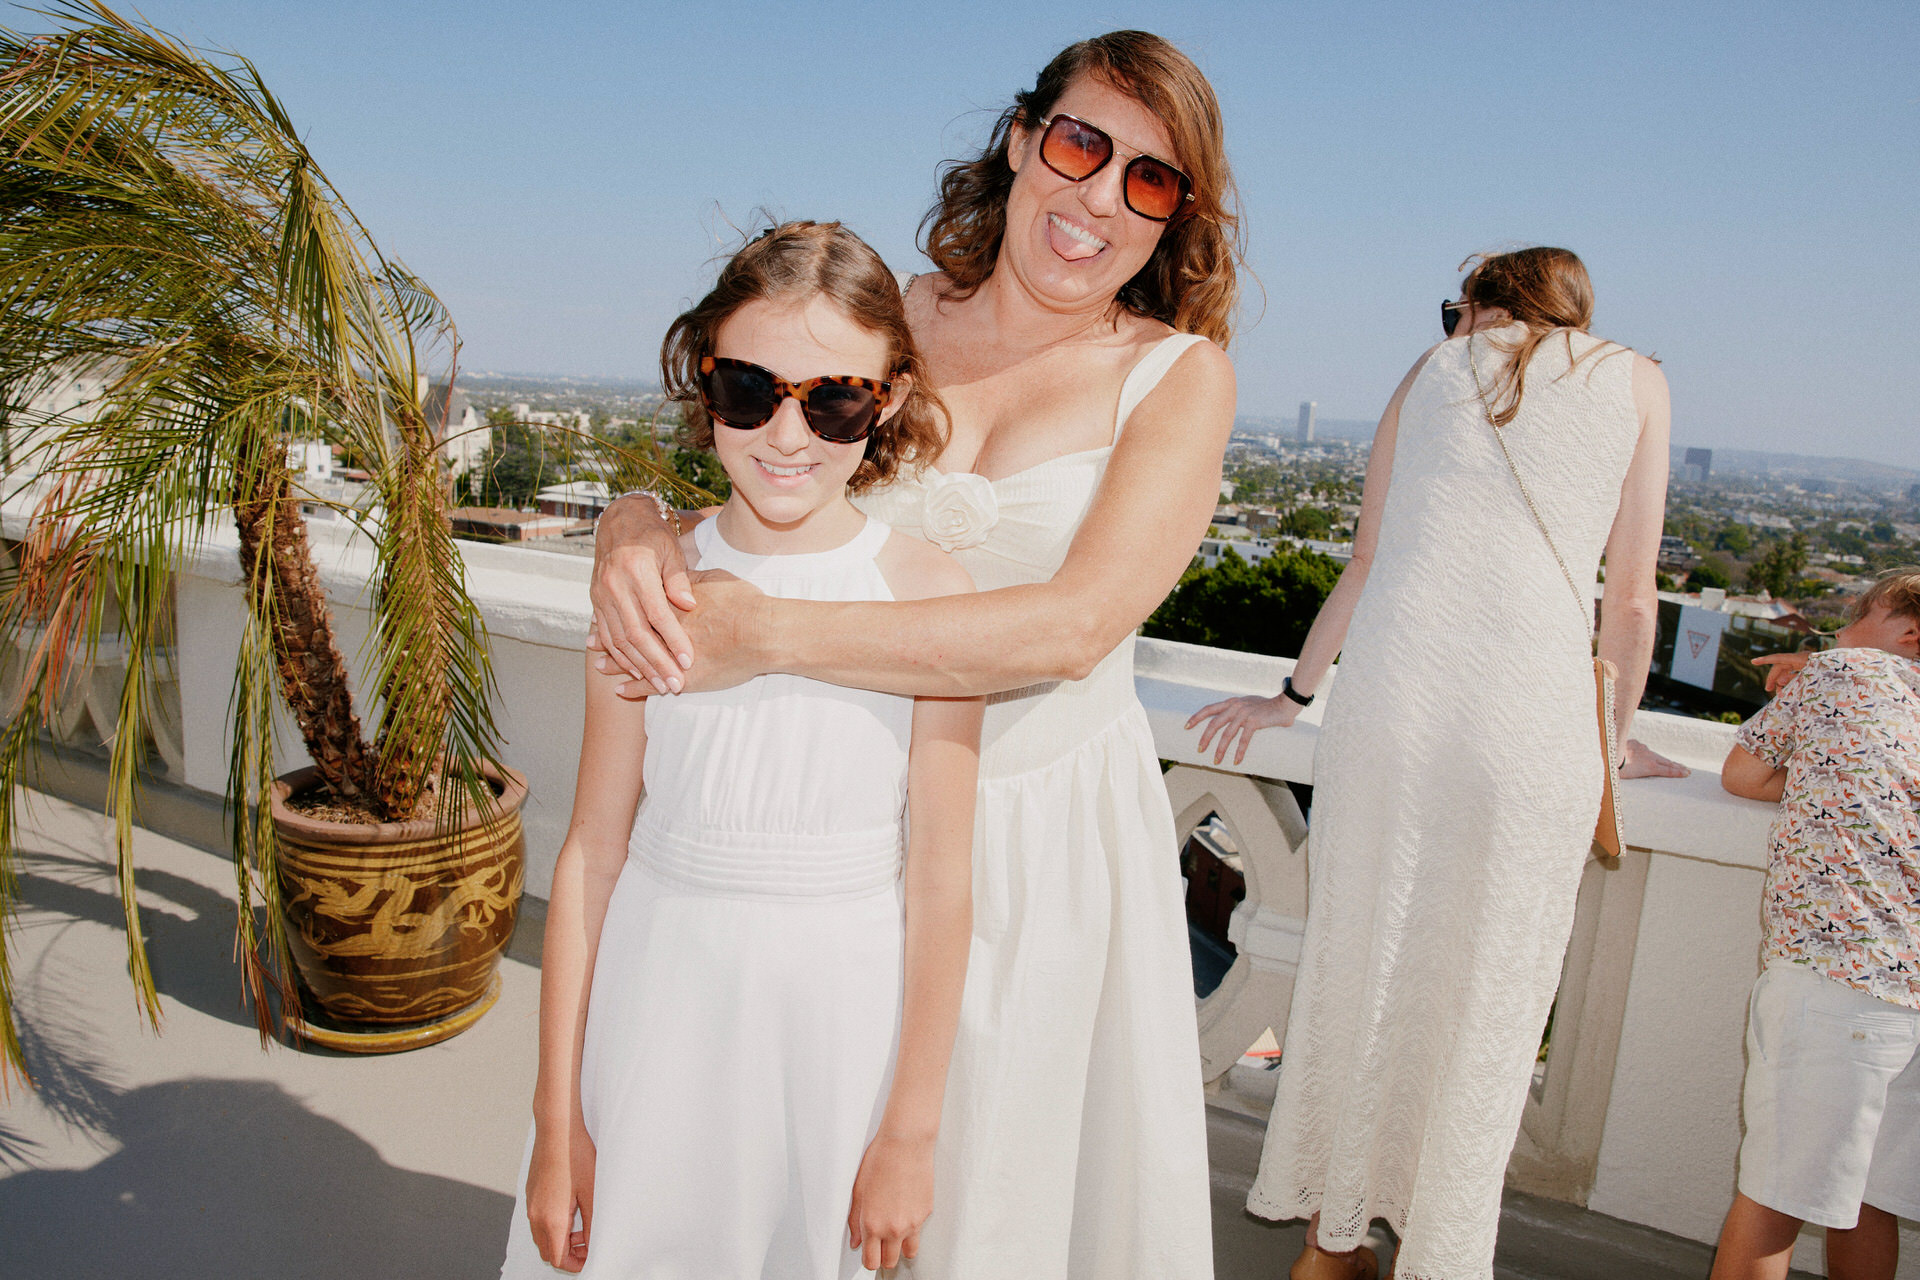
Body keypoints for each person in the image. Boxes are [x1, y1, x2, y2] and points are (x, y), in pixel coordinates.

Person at [585, 31, 1240, 1280]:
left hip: (1043, 847)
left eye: (1150, 177)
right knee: (804, 1187)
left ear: (1177, 216)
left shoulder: (1179, 379)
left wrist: (770, 634)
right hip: (851, 832)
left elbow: (1072, 627)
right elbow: (768, 479)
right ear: (1022, 140)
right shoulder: (899, 317)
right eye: (1082, 144)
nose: (1101, 197)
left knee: (993, 1205)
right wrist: (631, 521)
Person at [1189, 247, 1687, 1280]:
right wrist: (1615, 735)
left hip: (1394, 709)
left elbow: (1368, 559)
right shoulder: (1637, 379)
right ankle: (1437, 1248)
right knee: (1486, 995)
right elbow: (1632, 599)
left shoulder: (1431, 368)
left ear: (1485, 304)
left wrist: (1290, 697)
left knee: (1359, 963)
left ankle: (1328, 1246)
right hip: (1527, 726)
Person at [500, 222, 982, 1279]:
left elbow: (943, 878)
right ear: (705, 381)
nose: (788, 433)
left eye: (836, 398)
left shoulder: (929, 591)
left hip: (838, 1029)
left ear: (889, 398)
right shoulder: (647, 577)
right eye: (749, 390)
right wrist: (556, 1118)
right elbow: (591, 854)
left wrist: (909, 1132)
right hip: (656, 1005)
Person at [1708, 569, 1920, 1280]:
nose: (1838, 628)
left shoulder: (1840, 672)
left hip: (1836, 982)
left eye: (1857, 614)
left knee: (1774, 1202)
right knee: (1865, 1201)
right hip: (1910, 997)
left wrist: (1814, 677)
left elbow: (1743, 775)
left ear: (1908, 631)